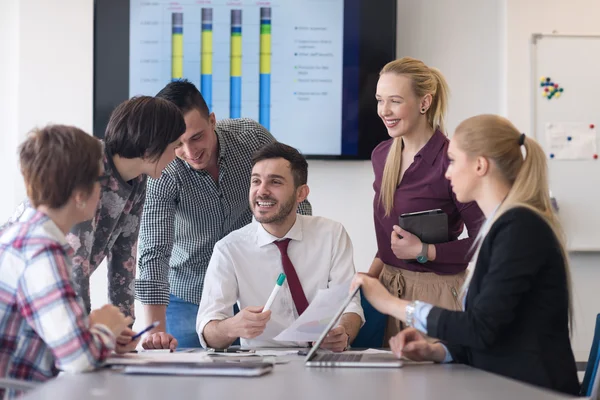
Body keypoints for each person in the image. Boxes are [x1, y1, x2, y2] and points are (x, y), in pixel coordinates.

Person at [353, 115, 580, 395]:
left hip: (529, 389)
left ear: (480, 165)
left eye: (453, 160)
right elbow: (493, 327)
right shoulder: (503, 226)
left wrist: (391, 304)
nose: (447, 173)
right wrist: (437, 350)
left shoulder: (521, 229)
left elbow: (481, 327)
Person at [137, 80, 312, 349]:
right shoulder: (165, 172)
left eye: (197, 137)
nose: (190, 152)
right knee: (187, 385)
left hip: (254, 288)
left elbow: (292, 199)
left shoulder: (251, 139)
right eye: (178, 144)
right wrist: (155, 332)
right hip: (188, 293)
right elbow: (154, 252)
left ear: (212, 120)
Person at [2, 96, 186, 324]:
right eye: (175, 146)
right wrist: (84, 329)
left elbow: (125, 254)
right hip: (22, 287)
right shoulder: (90, 166)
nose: (177, 156)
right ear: (151, 149)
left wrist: (124, 325)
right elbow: (75, 263)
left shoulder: (139, 180)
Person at [0, 126, 137, 399]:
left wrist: (91, 327)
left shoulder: (18, 235)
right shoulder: (41, 250)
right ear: (79, 193)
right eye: (100, 179)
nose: (104, 188)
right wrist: (104, 328)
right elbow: (79, 358)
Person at [197, 142, 363, 351]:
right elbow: (208, 330)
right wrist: (232, 327)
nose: (262, 191)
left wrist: (343, 333)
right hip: (264, 364)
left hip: (323, 358)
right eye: (256, 181)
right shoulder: (229, 249)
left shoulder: (332, 234)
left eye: (275, 182)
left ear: (301, 193)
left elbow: (350, 305)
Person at [369, 57, 483, 343]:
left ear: (424, 103)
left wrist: (425, 250)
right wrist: (368, 281)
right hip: (388, 289)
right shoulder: (382, 155)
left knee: (430, 387)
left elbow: (486, 240)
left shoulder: (452, 161)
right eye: (380, 100)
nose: (384, 111)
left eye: (395, 101)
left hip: (436, 294)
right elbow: (387, 234)